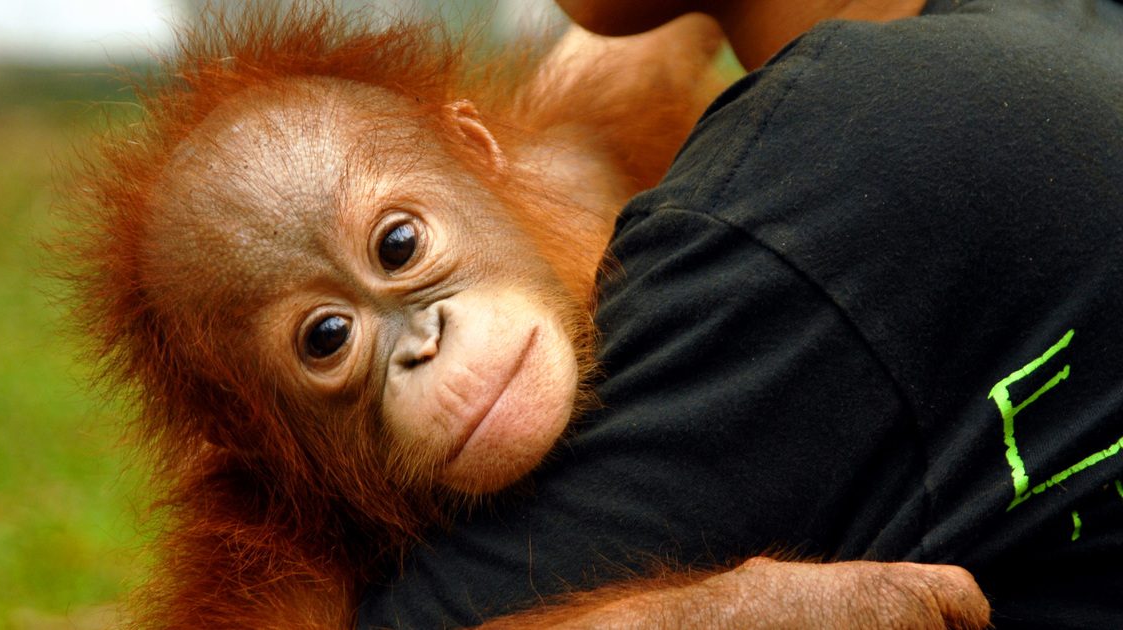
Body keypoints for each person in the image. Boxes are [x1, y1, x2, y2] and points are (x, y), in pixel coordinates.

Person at [358, 0, 1123, 627]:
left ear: (478, 149)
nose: (426, 341)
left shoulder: (833, 171)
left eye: (400, 245)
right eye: (328, 338)